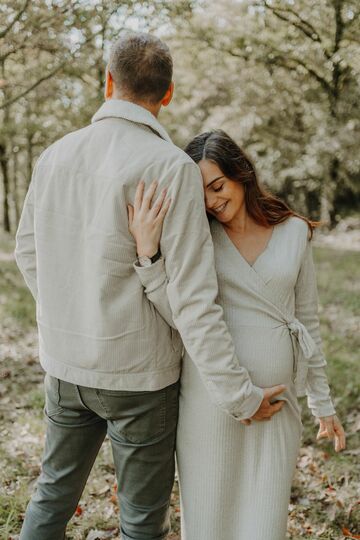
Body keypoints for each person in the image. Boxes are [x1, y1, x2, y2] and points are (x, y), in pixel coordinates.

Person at [15, 34, 283, 540]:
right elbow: (193, 300)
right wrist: (240, 396)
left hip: (66, 367)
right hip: (141, 379)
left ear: (108, 80)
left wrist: (70, 313)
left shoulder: (55, 155)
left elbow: (27, 252)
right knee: (141, 522)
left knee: (51, 496)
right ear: (169, 94)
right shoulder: (170, 168)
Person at [128, 130, 346, 540]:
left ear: (241, 173)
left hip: (279, 406)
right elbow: (179, 314)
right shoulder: (198, 239)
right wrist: (148, 257)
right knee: (209, 524)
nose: (211, 201)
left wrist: (322, 402)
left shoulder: (295, 231)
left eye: (217, 186)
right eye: (201, 193)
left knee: (264, 526)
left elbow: (307, 323)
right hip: (212, 402)